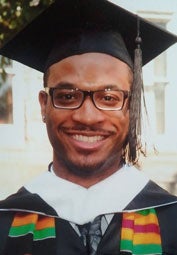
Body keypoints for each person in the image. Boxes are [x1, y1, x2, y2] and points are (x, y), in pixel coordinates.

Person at [0, 0, 177, 254]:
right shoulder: (6, 223)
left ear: (131, 107)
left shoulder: (171, 221)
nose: (88, 117)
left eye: (109, 98)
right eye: (67, 96)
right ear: (43, 105)